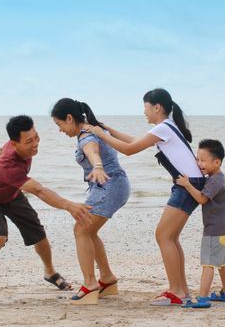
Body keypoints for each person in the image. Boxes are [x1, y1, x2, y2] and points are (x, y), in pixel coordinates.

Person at [85, 88, 204, 306]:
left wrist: (101, 135)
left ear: (156, 107)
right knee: (170, 237)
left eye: (145, 107)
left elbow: (130, 150)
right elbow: (134, 141)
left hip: (187, 185)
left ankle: (176, 292)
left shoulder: (164, 127)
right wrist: (108, 130)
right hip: (189, 184)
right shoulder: (166, 128)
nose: (144, 112)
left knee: (163, 236)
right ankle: (181, 290)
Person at [0, 115, 92, 306]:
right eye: (29, 141)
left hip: (13, 195)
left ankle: (50, 273)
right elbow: (39, 190)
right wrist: (69, 205)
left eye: (36, 137)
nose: (35, 144)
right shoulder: (8, 165)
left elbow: (1, 150)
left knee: (38, 235)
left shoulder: (16, 147)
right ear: (15, 143)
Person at [51, 98, 130, 305]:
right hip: (113, 185)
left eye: (59, 124)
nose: (60, 130)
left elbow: (92, 151)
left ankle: (89, 285)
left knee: (81, 229)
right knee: (88, 230)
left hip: (108, 184)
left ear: (69, 118)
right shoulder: (91, 129)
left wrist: (97, 166)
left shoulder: (86, 135)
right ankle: (107, 279)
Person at [177, 139, 225, 308]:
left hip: (215, 229)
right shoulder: (215, 178)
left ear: (216, 162)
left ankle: (202, 298)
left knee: (208, 263)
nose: (199, 163)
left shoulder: (215, 181)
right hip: (224, 228)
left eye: (203, 160)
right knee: (221, 262)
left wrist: (187, 184)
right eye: (197, 159)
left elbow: (202, 199)